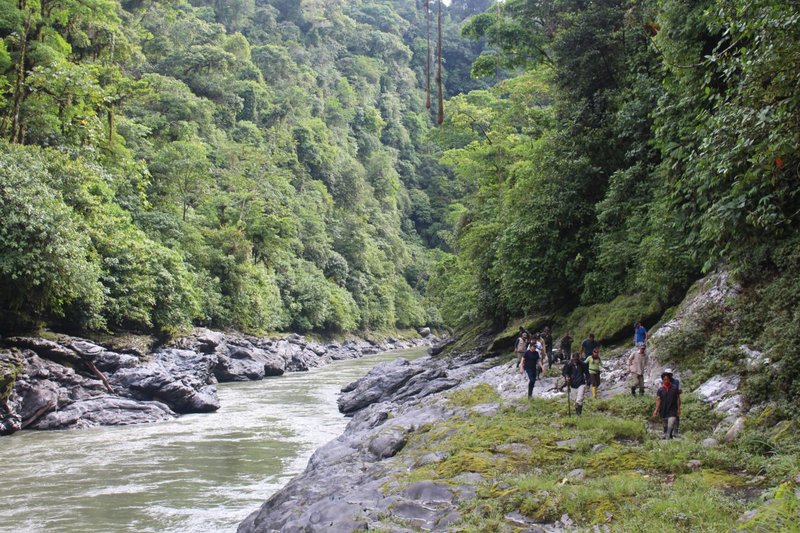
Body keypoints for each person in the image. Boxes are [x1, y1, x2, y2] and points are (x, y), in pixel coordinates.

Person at [653, 369, 680, 439]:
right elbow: (658, 400)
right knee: (665, 424)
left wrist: (679, 409)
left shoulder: (674, 388)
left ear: (670, 379)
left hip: (672, 409)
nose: (666, 381)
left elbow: (678, 399)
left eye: (667, 379)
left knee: (671, 423)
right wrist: (656, 410)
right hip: (663, 409)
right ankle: (668, 435)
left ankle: (667, 437)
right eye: (664, 380)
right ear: (662, 380)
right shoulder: (660, 390)